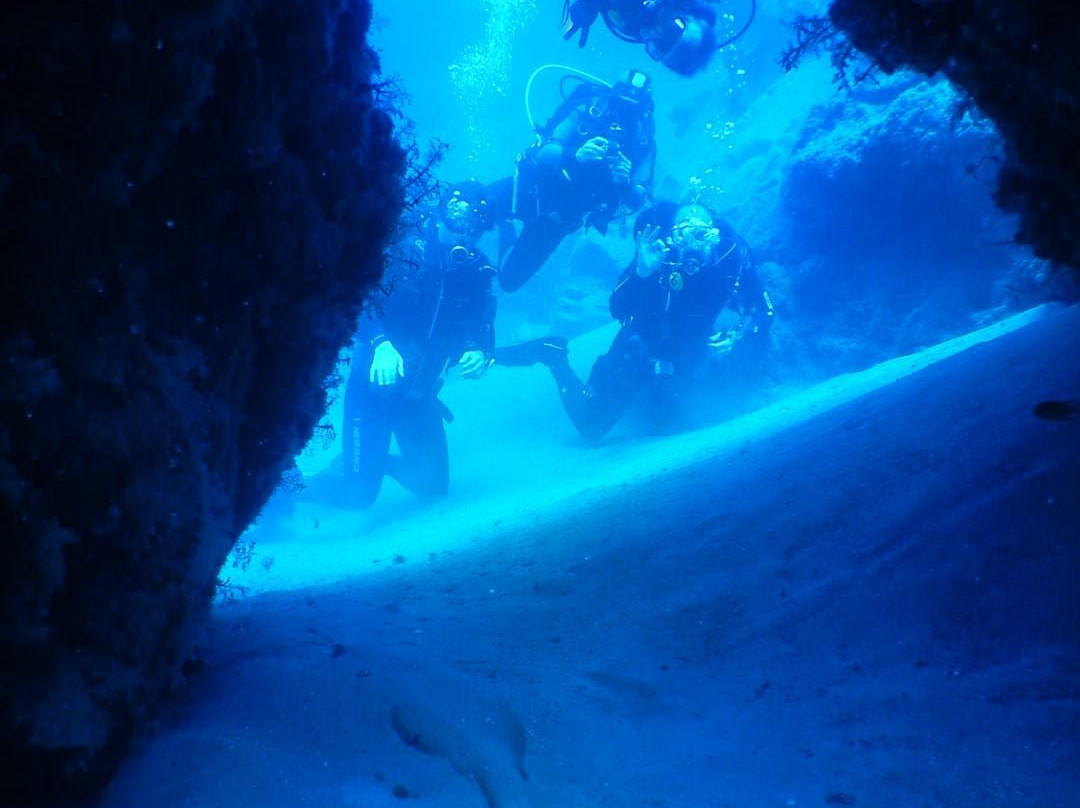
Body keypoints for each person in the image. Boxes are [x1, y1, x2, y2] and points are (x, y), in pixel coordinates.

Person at [495, 200, 773, 440]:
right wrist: (641, 273)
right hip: (641, 348)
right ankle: (554, 356)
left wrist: (739, 335)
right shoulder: (656, 256)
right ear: (672, 236)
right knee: (591, 426)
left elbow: (762, 309)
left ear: (715, 236)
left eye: (701, 234)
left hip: (689, 350)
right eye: (684, 234)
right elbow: (617, 308)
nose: (693, 245)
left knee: (679, 422)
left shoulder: (731, 258)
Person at [342, 181, 497, 507]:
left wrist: (477, 352)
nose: (463, 237)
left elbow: (482, 329)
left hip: (417, 395)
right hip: (374, 391)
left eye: (474, 230)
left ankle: (367, 461)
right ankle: (287, 492)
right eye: (456, 225)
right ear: (439, 217)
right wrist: (381, 344)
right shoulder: (406, 251)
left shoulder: (477, 271)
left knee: (434, 485)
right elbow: (361, 299)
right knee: (357, 497)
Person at [489, 68, 657, 293]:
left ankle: (507, 230)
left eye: (631, 113)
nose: (619, 123)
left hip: (558, 219)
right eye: (618, 107)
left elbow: (637, 200)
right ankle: (503, 220)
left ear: (642, 114)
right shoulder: (587, 111)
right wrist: (574, 156)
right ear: (609, 99)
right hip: (530, 189)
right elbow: (543, 153)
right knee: (473, 203)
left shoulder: (643, 144)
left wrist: (625, 183)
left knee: (508, 281)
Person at [561, 0, 756, 76]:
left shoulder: (629, 27)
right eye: (673, 29)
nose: (653, 32)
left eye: (658, 47)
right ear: (688, 13)